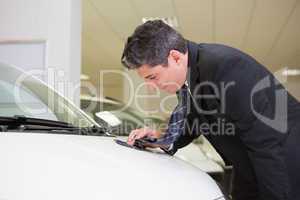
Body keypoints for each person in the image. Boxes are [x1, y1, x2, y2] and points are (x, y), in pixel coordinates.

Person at [120, 20, 300, 200]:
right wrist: (159, 138)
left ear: (175, 57)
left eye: (153, 77)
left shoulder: (226, 67)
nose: (151, 87)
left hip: (285, 166)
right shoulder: (191, 76)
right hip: (251, 166)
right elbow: (192, 121)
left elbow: (266, 143)